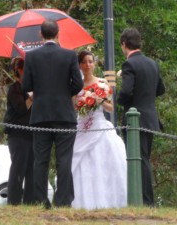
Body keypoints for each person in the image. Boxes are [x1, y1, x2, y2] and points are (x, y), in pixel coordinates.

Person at [22, 20, 83, 208]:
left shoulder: (31, 57)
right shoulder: (69, 55)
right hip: (64, 114)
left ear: (41, 35)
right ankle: (63, 200)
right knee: (64, 160)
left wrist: (39, 92)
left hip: (40, 115)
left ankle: (42, 201)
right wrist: (65, 94)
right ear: (58, 34)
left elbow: (26, 86)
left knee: (41, 160)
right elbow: (78, 84)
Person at [71, 50, 127, 210]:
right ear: (80, 65)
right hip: (82, 127)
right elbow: (74, 106)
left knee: (102, 164)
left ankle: (107, 201)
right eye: (84, 62)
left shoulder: (102, 83)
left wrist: (98, 99)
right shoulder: (76, 85)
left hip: (99, 127)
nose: (87, 65)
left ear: (94, 64)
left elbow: (110, 108)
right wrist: (82, 103)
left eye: (90, 61)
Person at [117, 28, 165, 207]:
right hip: (150, 118)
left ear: (124, 44)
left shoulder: (129, 64)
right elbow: (161, 89)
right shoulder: (152, 63)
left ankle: (145, 201)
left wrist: (117, 99)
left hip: (134, 120)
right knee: (144, 158)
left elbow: (126, 92)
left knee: (138, 159)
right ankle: (146, 200)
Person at [3, 57, 34, 205]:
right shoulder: (14, 89)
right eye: (27, 69)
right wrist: (31, 98)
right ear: (20, 70)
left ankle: (30, 202)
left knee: (31, 168)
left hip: (32, 133)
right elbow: (21, 109)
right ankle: (13, 202)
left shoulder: (30, 87)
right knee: (18, 167)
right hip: (18, 134)